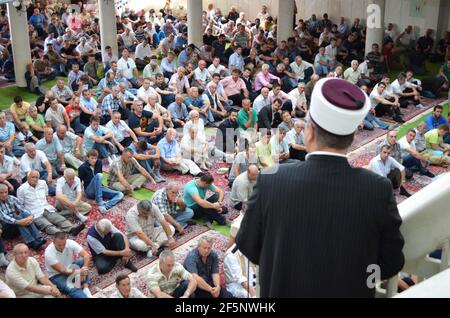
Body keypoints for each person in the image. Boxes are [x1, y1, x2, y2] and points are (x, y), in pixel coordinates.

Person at [236, 78, 405, 297]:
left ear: (310, 132)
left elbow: (248, 245)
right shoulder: (377, 189)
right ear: (352, 137)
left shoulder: (271, 180)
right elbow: (391, 261)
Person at [17, 170, 86, 236]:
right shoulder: (22, 189)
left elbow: (46, 195)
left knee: (60, 219)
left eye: (37, 177)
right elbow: (20, 205)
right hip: (34, 213)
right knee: (47, 225)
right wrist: (28, 215)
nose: (35, 179)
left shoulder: (42, 183)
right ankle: (59, 234)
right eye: (33, 177)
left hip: (46, 208)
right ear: (28, 177)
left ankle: (72, 229)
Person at [44, 232, 92, 298]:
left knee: (83, 262)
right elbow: (62, 270)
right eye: (59, 245)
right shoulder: (48, 253)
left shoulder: (70, 243)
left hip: (70, 267)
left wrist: (84, 268)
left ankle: (85, 287)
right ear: (53, 242)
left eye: (64, 244)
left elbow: (86, 255)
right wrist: (79, 271)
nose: (62, 247)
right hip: (57, 275)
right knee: (72, 289)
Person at [0, 184, 45, 251]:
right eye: (1, 193)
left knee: (25, 215)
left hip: (17, 223)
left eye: (6, 192)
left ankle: (38, 238)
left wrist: (30, 216)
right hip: (5, 228)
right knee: (19, 217)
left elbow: (23, 208)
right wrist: (19, 221)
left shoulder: (11, 198)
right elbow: (3, 217)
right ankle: (31, 242)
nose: (4, 194)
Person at [78, 149, 124, 214]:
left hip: (100, 188)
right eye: (92, 158)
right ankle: (99, 200)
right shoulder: (82, 167)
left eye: (95, 158)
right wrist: (78, 195)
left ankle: (105, 206)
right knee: (99, 175)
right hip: (89, 190)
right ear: (87, 158)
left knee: (120, 194)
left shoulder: (99, 163)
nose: (94, 160)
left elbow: (99, 179)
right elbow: (79, 181)